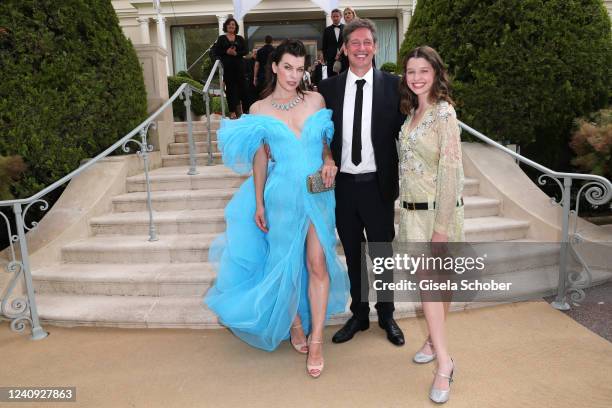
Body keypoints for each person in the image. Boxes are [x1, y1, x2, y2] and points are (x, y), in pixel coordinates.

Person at [204, 39, 350, 379]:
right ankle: (295, 324)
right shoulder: (259, 110)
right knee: (284, 263)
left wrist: (329, 161)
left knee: (316, 262)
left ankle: (316, 340)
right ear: (274, 66)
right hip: (281, 195)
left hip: (318, 192)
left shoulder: (316, 100)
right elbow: (259, 157)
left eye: (300, 69)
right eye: (287, 67)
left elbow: (325, 142)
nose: (293, 75)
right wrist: (258, 202)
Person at [318, 19, 405, 346]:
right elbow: (320, 135)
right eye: (354, 42)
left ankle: (387, 314)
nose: (361, 48)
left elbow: (411, 130)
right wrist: (326, 156)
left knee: (381, 253)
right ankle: (359, 314)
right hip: (344, 188)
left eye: (367, 42)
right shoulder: (327, 90)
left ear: (376, 46)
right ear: (344, 47)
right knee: (353, 252)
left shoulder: (394, 87)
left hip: (378, 186)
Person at [398, 46, 464, 404]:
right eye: (411, 72)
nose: (417, 77)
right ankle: (432, 341)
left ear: (436, 73)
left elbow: (451, 170)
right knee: (438, 287)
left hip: (438, 214)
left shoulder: (443, 113)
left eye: (424, 71)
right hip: (411, 215)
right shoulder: (411, 112)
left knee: (432, 288)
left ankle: (444, 363)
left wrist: (441, 228)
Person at [214, 17, 249, 119]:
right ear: (226, 26)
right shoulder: (221, 38)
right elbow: (216, 51)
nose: (231, 26)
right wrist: (226, 52)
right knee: (230, 89)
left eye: (233, 24)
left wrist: (236, 53)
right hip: (228, 68)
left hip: (239, 67)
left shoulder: (240, 38)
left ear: (236, 27)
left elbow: (246, 51)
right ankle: (232, 111)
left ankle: (245, 110)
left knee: (243, 88)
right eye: (229, 24)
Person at [321, 9, 343, 78]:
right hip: (330, 58)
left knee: (344, 77)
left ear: (341, 16)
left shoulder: (346, 28)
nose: (335, 18)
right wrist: (325, 58)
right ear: (331, 17)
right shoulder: (327, 30)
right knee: (331, 77)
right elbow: (324, 45)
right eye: (333, 16)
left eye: (337, 16)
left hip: (343, 57)